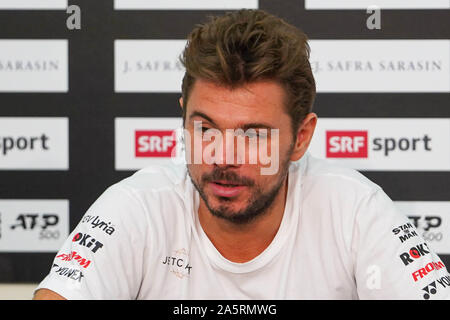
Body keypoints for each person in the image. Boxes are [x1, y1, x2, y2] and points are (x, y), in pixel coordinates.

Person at [34, 9, 449, 300]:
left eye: (252, 135)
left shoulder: (356, 210)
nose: (222, 157)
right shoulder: (138, 206)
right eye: (206, 128)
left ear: (301, 138)